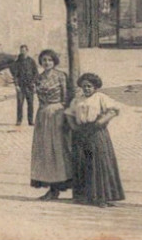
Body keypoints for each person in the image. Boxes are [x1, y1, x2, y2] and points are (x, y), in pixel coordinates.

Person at [65, 72, 124, 207]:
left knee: (100, 163)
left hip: (97, 132)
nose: (86, 89)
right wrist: (74, 126)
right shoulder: (77, 100)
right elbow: (69, 113)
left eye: (89, 86)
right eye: (84, 86)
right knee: (82, 162)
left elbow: (114, 110)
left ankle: (102, 197)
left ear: (95, 87)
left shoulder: (100, 97)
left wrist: (100, 122)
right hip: (81, 133)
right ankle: (85, 196)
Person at [30, 48, 72, 200]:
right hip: (43, 115)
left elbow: (67, 96)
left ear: (54, 62)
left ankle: (59, 184)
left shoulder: (61, 76)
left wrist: (65, 113)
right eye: (44, 60)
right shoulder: (38, 78)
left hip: (57, 114)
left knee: (58, 149)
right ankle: (50, 187)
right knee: (45, 150)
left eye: (49, 60)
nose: (47, 63)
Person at [11, 45, 38, 127]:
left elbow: (36, 73)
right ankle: (19, 120)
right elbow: (15, 75)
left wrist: (33, 82)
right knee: (20, 104)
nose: (22, 52)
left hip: (29, 86)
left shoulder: (31, 61)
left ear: (27, 51)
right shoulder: (17, 62)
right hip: (20, 86)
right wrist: (16, 85)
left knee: (30, 104)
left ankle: (30, 121)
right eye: (21, 50)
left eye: (24, 50)